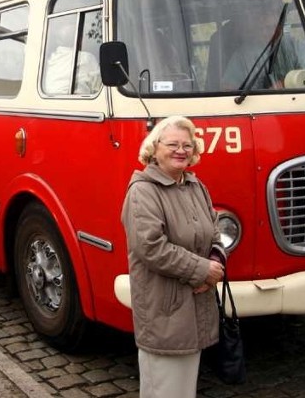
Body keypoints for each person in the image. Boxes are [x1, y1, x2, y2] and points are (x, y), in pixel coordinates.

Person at [121, 115, 225, 398]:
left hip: (193, 309)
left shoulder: (194, 186)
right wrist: (202, 270)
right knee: (164, 390)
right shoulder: (143, 191)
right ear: (154, 149)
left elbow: (216, 234)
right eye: (172, 144)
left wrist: (216, 262)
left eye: (187, 145)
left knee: (184, 389)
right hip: (164, 313)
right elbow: (151, 248)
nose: (181, 150)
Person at [220, 0, 305, 90]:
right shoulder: (242, 55)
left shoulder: (296, 47)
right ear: (256, 28)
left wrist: (284, 83)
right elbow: (227, 88)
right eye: (262, 28)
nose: (267, 32)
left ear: (280, 26)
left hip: (296, 101)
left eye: (271, 27)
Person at [42, 21, 101, 95]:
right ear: (79, 39)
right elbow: (99, 87)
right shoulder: (86, 58)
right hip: (81, 103)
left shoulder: (51, 58)